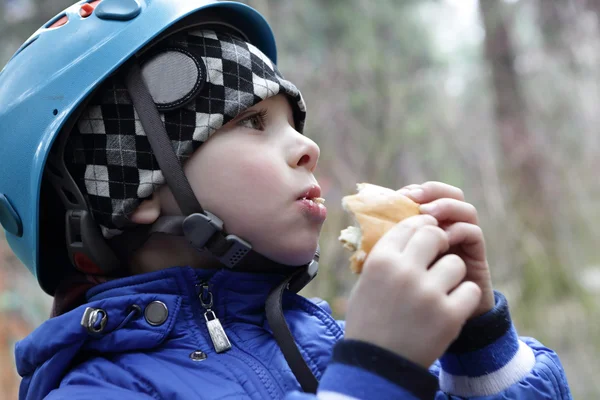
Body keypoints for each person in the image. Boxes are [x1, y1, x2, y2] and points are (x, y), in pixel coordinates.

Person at [0, 1, 571, 399]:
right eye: (253, 124)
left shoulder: (330, 342)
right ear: (135, 191)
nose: (308, 148)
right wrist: (374, 373)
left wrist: (479, 344)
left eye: (293, 123)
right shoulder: (101, 389)